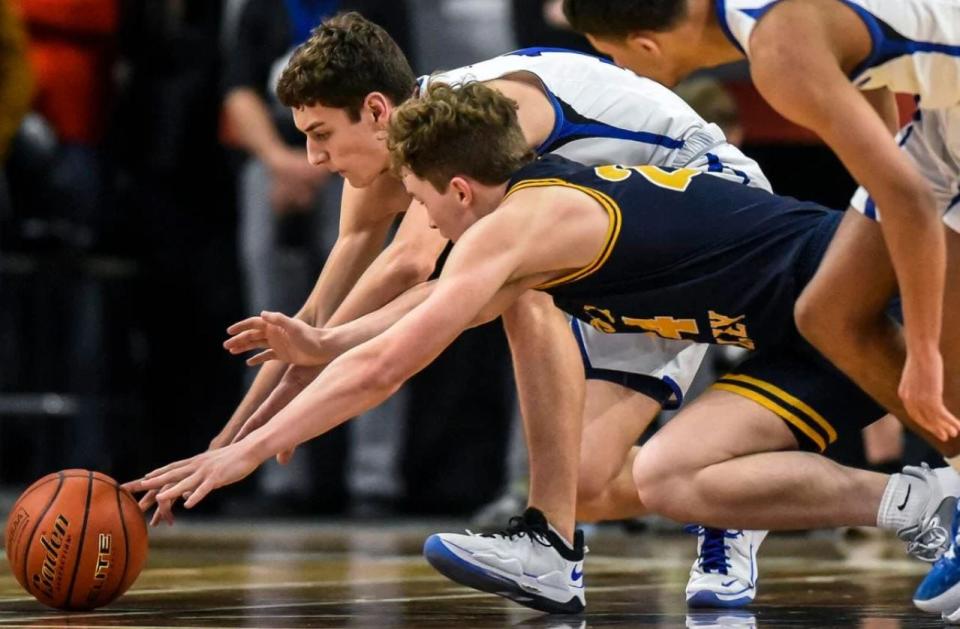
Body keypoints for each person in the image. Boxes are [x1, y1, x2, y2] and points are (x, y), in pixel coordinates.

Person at [125, 81, 959, 616]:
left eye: (419, 202)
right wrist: (325, 337)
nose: (429, 225)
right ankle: (920, 504)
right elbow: (425, 314)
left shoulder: (522, 221)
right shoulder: (520, 228)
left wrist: (244, 453)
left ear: (457, 187)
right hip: (788, 341)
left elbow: (394, 362)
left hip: (856, 298)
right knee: (669, 476)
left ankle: (551, 536)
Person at [135, 11, 780, 613]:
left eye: (321, 134)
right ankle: (729, 494)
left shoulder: (460, 129)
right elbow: (313, 329)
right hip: (625, 236)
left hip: (707, 200)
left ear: (377, 111)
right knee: (583, 480)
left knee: (521, 289)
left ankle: (550, 548)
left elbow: (412, 282)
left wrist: (280, 410)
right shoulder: (398, 150)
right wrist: (221, 448)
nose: (314, 159)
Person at [559, 1, 960, 616]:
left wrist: (926, 350)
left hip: (944, 122)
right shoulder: (758, 24)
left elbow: (904, 197)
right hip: (938, 123)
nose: (613, 67)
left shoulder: (778, 53)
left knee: (927, 343)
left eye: (609, 53)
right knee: (826, 312)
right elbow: (876, 106)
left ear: (644, 47)